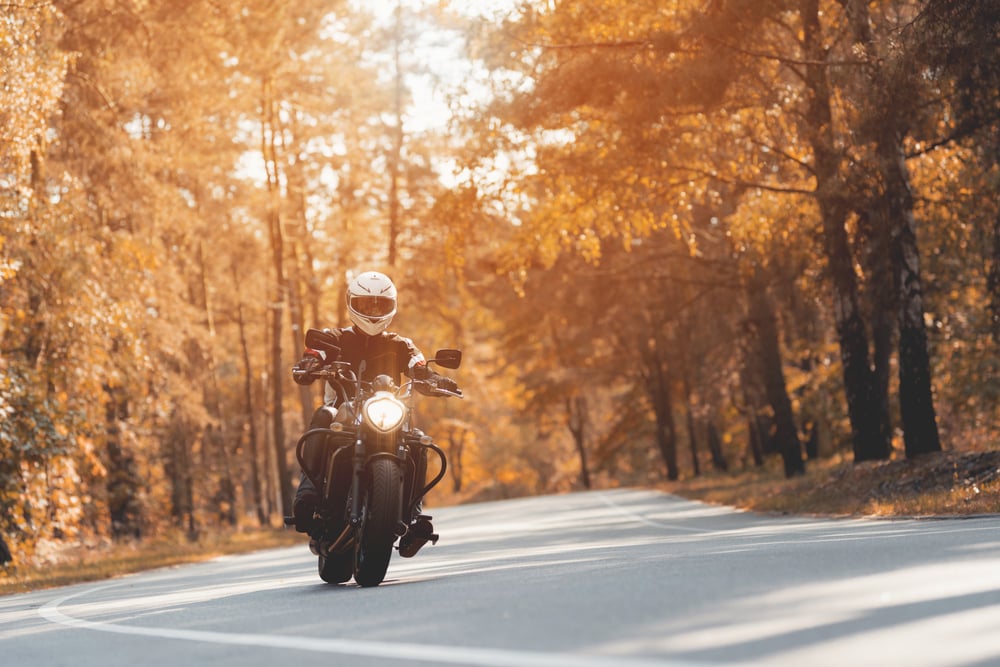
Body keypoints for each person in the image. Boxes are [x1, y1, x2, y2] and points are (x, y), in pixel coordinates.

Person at [290, 271, 458, 548]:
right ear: (352, 304)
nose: (374, 311)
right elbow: (313, 354)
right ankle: (307, 494)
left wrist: (437, 380)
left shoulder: (401, 344)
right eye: (367, 304)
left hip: (388, 415)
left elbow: (419, 367)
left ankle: (413, 516)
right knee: (324, 415)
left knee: (417, 439)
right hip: (344, 413)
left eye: (380, 305)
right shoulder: (335, 338)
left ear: (392, 306)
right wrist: (307, 365)